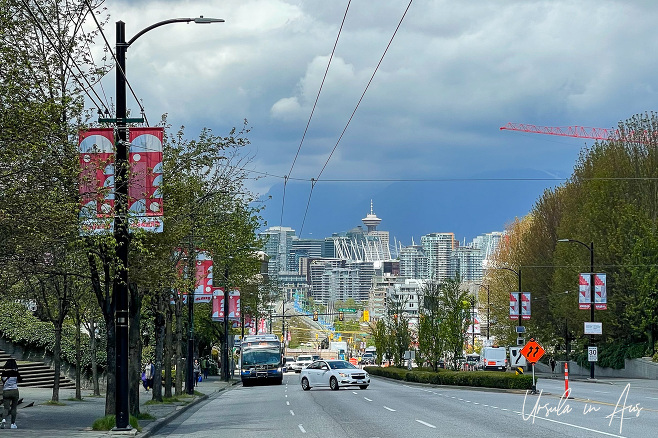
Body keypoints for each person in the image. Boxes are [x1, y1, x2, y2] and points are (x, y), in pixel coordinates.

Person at [1, 359, 22, 429]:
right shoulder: (16, 373)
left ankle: (3, 419)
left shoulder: (3, 373)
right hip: (14, 391)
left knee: (6, 408)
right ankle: (13, 423)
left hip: (6, 391)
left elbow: (3, 381)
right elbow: (20, 380)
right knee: (13, 408)